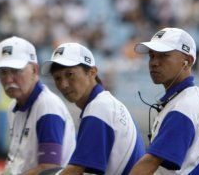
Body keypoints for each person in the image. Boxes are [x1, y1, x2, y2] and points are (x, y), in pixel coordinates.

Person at [0, 36, 76, 175]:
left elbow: (49, 169)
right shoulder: (13, 107)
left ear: (35, 70)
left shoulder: (48, 107)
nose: (8, 79)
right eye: (3, 72)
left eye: (16, 70)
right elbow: (18, 166)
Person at [43, 42, 145, 174]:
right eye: (57, 78)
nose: (63, 84)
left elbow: (76, 171)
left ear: (92, 72)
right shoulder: (105, 103)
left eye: (70, 74)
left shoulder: (98, 109)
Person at [130, 28, 199, 174]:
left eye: (164, 56)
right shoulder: (186, 98)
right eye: (151, 56)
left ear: (188, 61)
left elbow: (150, 163)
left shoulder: (183, 106)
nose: (154, 63)